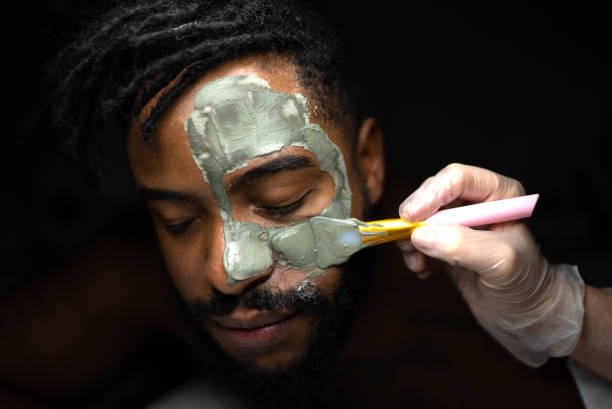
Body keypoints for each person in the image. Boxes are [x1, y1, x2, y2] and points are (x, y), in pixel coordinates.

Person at [1, 0, 610, 408]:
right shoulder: (134, 274)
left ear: (368, 166)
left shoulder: (463, 308)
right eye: (179, 221)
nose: (227, 270)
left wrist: (567, 315)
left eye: (281, 202)